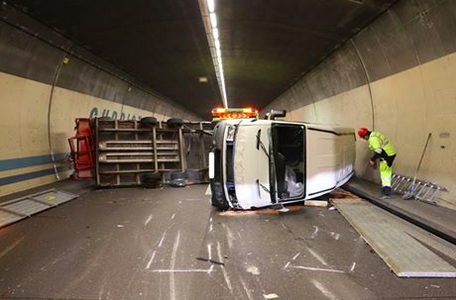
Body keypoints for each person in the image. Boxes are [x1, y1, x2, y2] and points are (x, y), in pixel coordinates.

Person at [358, 127, 397, 198]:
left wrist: (372, 160)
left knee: (385, 174)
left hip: (387, 155)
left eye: (363, 138)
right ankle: (386, 189)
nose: (364, 139)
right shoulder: (375, 134)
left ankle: (387, 192)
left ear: (366, 136)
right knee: (386, 172)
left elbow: (378, 151)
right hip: (390, 153)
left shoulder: (372, 139)